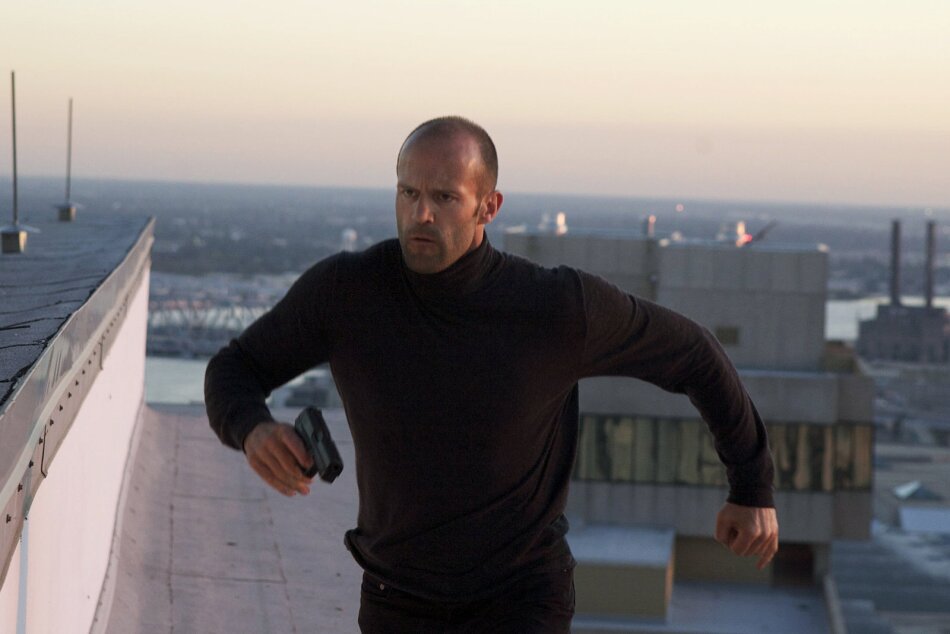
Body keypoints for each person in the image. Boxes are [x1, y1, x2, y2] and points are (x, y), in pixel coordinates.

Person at [204, 116, 779, 633]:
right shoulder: (348, 292)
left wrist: (751, 487)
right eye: (408, 192)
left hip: (520, 598)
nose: (420, 214)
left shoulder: (554, 308)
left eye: (444, 197)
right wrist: (251, 427)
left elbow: (694, 353)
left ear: (489, 206)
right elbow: (235, 367)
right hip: (395, 596)